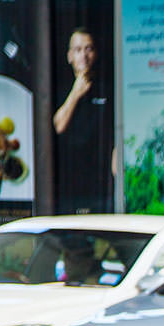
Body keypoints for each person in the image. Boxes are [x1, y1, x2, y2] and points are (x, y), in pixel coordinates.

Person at [52, 27, 114, 214]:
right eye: (78, 50)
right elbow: (59, 125)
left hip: (100, 182)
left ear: (96, 54)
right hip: (69, 182)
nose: (84, 56)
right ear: (70, 56)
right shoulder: (59, 91)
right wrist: (76, 93)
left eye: (89, 49)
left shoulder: (106, 90)